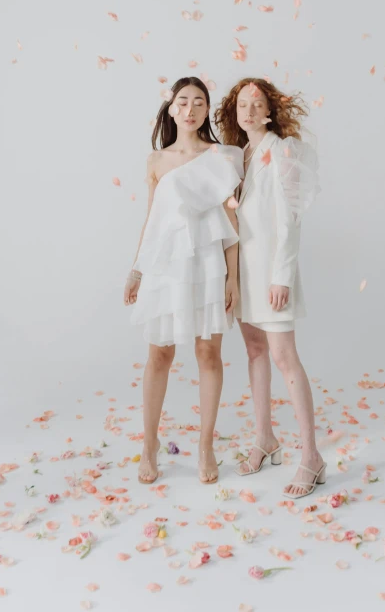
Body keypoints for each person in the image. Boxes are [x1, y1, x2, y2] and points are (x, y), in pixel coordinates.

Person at [124, 77, 243, 486]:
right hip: (167, 265)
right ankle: (149, 443)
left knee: (208, 353)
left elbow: (231, 217)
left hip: (208, 262)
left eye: (198, 102)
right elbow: (152, 220)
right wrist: (137, 270)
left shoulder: (221, 157)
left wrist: (234, 277)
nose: (190, 109)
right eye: (183, 102)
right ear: (171, 109)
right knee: (160, 354)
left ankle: (206, 444)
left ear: (206, 109)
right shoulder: (156, 161)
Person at [214, 77, 324, 499]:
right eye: (241, 104)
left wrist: (282, 276)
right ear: (234, 111)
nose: (248, 110)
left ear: (270, 109)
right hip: (246, 271)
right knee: (255, 352)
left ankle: (311, 455)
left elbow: (290, 221)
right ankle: (265, 438)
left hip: (273, 274)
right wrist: (231, 277)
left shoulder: (283, 151)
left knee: (284, 356)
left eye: (256, 103)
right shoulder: (240, 155)